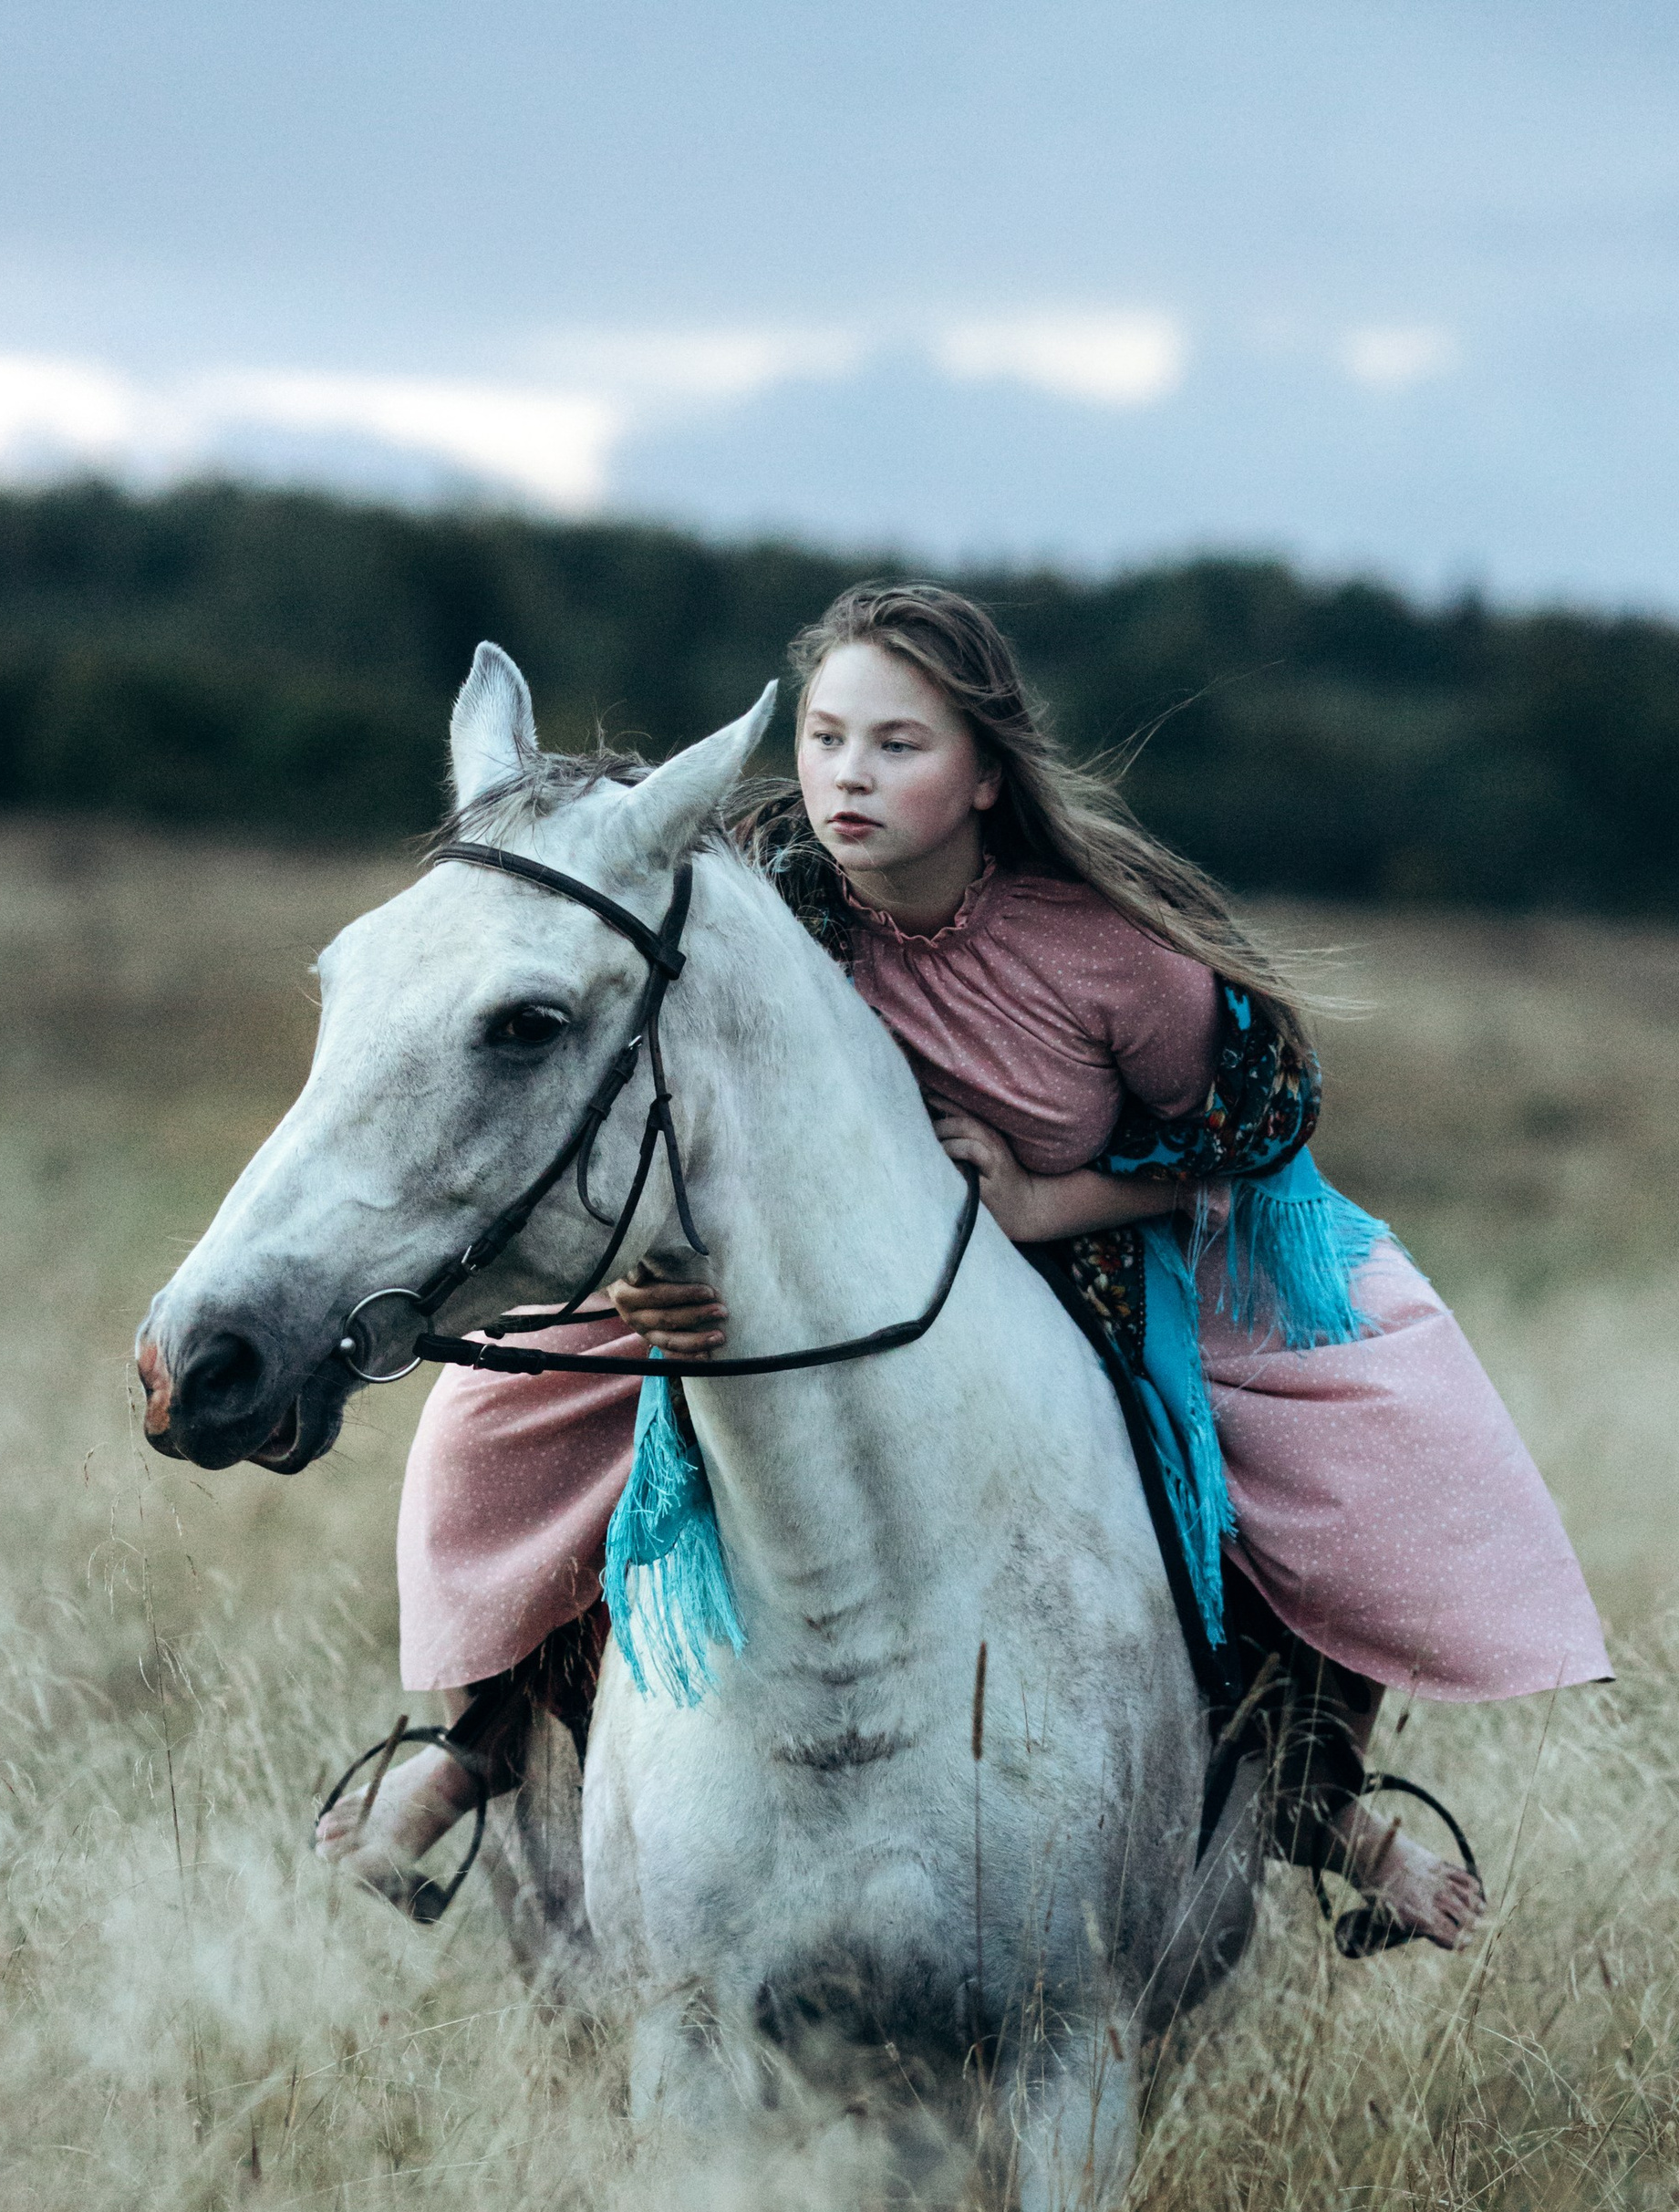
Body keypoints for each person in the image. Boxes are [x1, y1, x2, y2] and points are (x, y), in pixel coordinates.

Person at [321, 585, 1608, 1945]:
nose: (847, 777)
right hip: (792, 1277)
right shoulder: (766, 904)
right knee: (505, 1413)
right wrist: (654, 1281)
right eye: (825, 738)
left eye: (899, 745)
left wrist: (1051, 1199)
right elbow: (665, 1110)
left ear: (988, 775)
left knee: (1301, 1455)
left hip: (1083, 1261)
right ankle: (477, 1743)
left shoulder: (1108, 953)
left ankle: (1317, 1798)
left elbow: (1248, 1130)